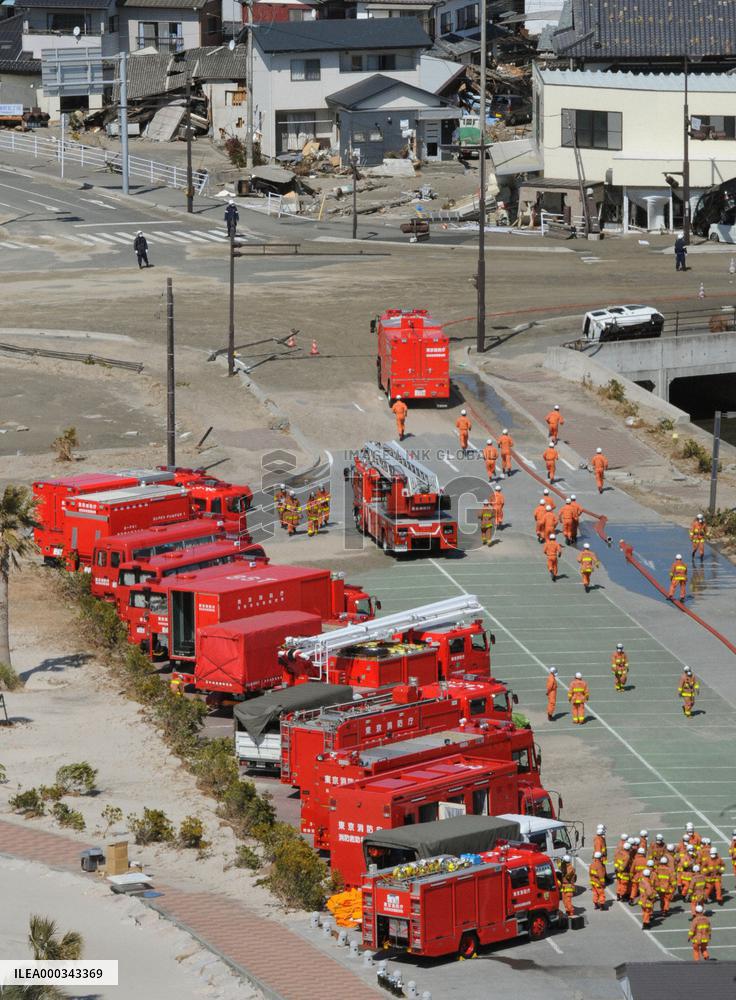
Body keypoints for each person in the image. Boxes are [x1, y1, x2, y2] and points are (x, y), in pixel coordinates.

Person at [614, 835, 631, 901]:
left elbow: (615, 860)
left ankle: (618, 895)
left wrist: (617, 868)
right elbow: (624, 865)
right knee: (624, 884)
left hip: (617, 870)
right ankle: (623, 896)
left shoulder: (619, 852)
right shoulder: (627, 856)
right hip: (624, 872)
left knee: (619, 882)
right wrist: (620, 869)